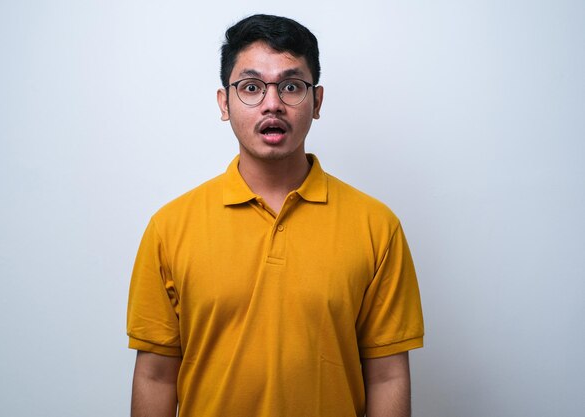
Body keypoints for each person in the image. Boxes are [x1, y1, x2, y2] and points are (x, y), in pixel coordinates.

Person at [127, 14, 424, 417]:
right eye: (251, 87)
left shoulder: (377, 227)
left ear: (316, 102)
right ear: (224, 103)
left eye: (291, 87)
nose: (272, 104)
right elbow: (156, 376)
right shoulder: (169, 228)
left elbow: (387, 375)